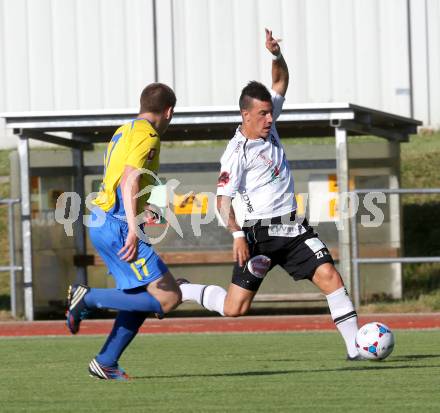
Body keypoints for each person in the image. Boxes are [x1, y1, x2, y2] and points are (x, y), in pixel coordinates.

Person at [180, 29, 361, 360]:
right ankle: (184, 289)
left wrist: (276, 56)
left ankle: (355, 348)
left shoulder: (270, 123)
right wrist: (236, 235)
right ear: (245, 115)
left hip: (292, 228)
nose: (269, 118)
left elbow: (280, 83)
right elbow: (222, 201)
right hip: (258, 236)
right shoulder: (236, 153)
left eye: (270, 112)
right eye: (262, 114)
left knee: (330, 276)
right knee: (235, 308)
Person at [65, 83, 183, 380]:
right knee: (170, 298)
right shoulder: (149, 135)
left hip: (103, 220)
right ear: (168, 111)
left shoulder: (124, 130)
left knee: (141, 296)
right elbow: (130, 181)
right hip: (118, 225)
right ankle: (87, 299)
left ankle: (106, 362)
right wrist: (133, 228)